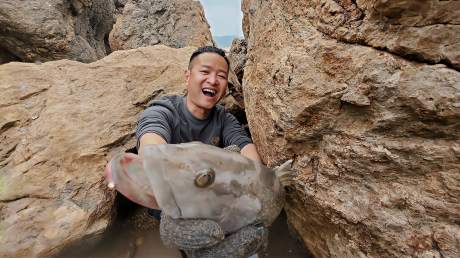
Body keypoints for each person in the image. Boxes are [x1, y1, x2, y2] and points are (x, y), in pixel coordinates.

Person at [135, 46, 267, 258]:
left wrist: (248, 185)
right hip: (174, 201)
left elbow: (246, 150)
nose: (213, 80)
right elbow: (151, 149)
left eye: (221, 76)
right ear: (188, 77)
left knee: (233, 155)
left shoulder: (223, 118)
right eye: (205, 72)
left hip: (211, 194)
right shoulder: (164, 110)